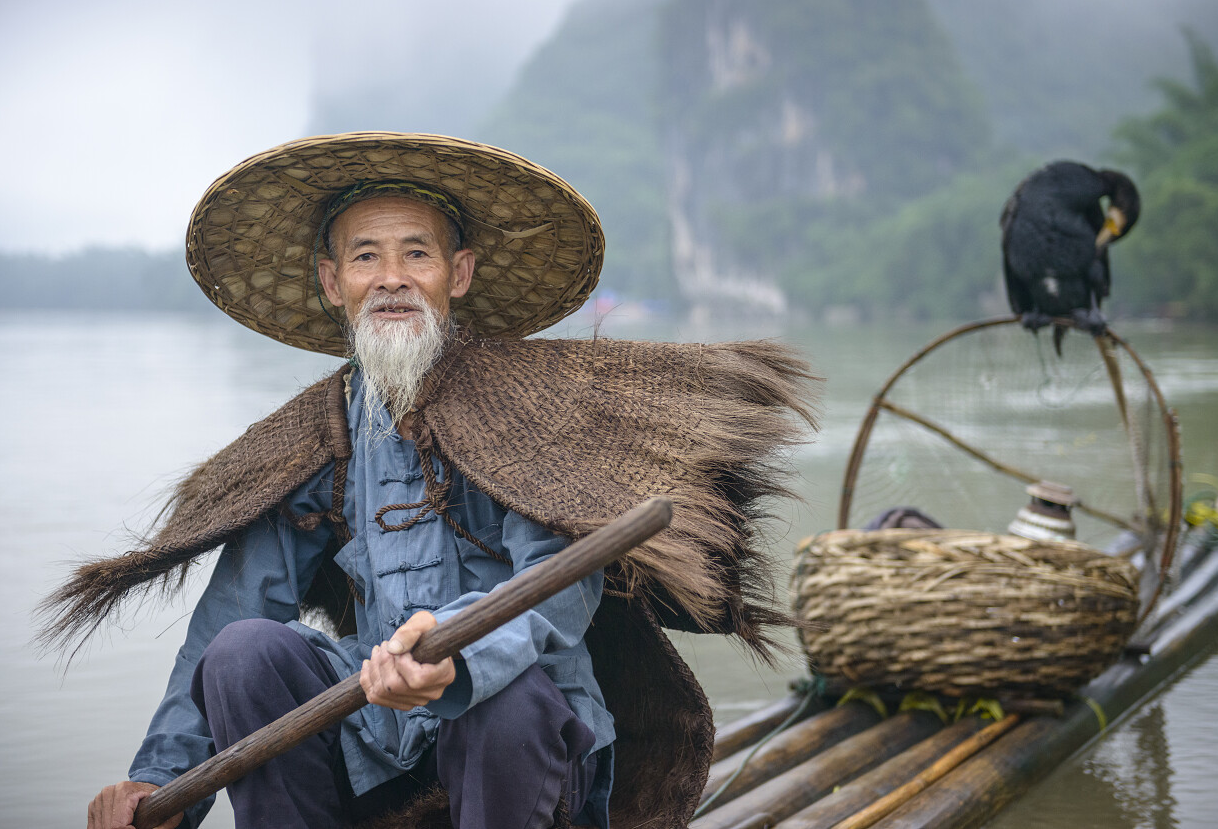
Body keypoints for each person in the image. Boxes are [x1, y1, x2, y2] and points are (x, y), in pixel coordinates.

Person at [44, 133, 818, 829]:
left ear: (459, 273)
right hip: (375, 733)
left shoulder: (529, 406)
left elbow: (558, 590)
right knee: (245, 652)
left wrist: (456, 656)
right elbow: (233, 609)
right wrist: (158, 778)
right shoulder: (320, 434)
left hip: (525, 737)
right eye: (364, 256)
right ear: (330, 281)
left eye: (416, 254)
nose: (391, 279)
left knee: (502, 697)